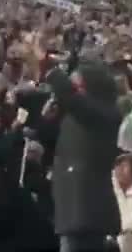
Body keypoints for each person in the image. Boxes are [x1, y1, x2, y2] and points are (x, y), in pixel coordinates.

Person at [45, 62, 122, 252]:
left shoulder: (105, 113)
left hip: (88, 211)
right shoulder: (76, 116)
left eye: (77, 86)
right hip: (70, 211)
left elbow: (75, 101)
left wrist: (53, 72)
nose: (74, 91)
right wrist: (50, 118)